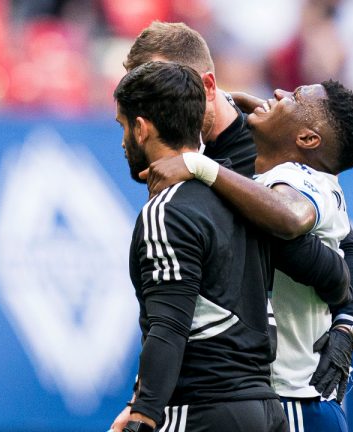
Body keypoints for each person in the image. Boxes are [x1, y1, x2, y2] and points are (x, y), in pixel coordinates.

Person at [117, 21, 353, 432]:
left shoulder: (268, 158)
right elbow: (176, 304)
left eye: (161, 89)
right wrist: (143, 399)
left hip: (289, 396)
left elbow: (342, 261)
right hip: (245, 398)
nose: (144, 111)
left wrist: (349, 323)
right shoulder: (194, 160)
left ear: (206, 86)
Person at [113, 59, 291, 432]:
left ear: (142, 129)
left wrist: (142, 416)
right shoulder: (243, 195)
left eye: (123, 126)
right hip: (267, 410)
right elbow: (331, 273)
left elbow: (169, 327)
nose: (123, 140)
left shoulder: (166, 210)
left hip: (202, 410)